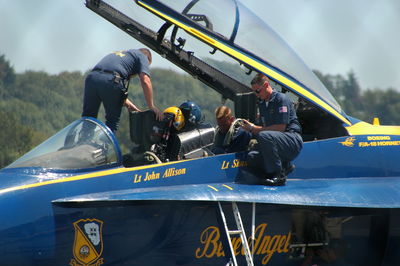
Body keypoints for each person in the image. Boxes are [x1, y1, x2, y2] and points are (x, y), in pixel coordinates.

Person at [241, 73, 303, 186]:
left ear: (266, 85)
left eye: (257, 91)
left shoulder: (281, 99)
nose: (256, 95)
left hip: (291, 140)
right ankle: (284, 166)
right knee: (252, 156)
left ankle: (278, 175)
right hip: (275, 141)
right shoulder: (263, 104)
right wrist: (249, 128)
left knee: (264, 136)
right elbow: (263, 128)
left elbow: (280, 128)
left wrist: (253, 128)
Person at [82, 48, 163, 132]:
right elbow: (145, 80)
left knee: (88, 118)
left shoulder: (122, 54)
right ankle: (104, 144)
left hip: (92, 78)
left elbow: (107, 82)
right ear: (148, 59)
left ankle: (83, 139)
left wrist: (128, 104)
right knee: (112, 122)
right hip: (111, 81)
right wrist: (151, 106)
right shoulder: (143, 56)